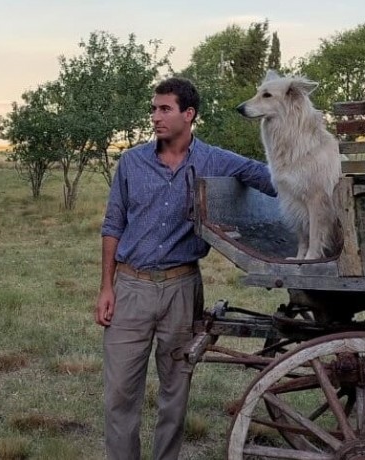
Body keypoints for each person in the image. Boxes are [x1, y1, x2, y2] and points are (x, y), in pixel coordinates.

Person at [94, 77, 276, 460]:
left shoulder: (216, 160)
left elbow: (270, 179)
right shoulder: (132, 162)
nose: (156, 117)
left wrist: (316, 169)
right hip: (131, 287)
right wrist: (106, 288)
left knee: (174, 393)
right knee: (119, 394)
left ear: (188, 115)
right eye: (154, 109)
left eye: (165, 109)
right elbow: (113, 224)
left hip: (181, 288)